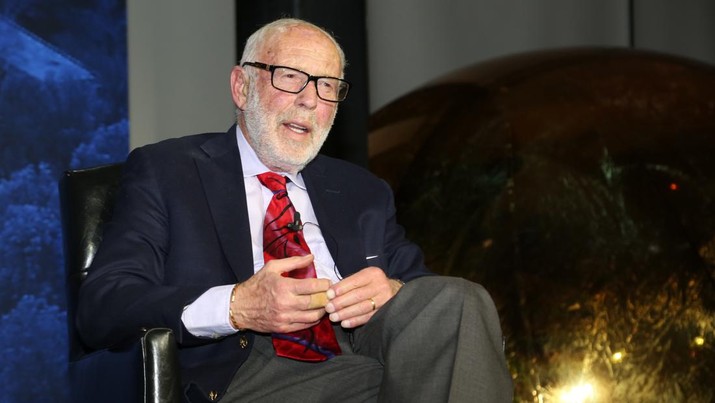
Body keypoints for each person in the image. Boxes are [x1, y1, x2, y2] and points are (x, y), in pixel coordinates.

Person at [77, 18, 513, 402]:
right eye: (290, 77)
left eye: (327, 86)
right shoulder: (168, 171)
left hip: (372, 354)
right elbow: (105, 305)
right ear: (242, 86)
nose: (310, 100)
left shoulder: (361, 190)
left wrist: (394, 291)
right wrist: (237, 306)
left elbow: (435, 308)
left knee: (459, 299)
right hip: (251, 370)